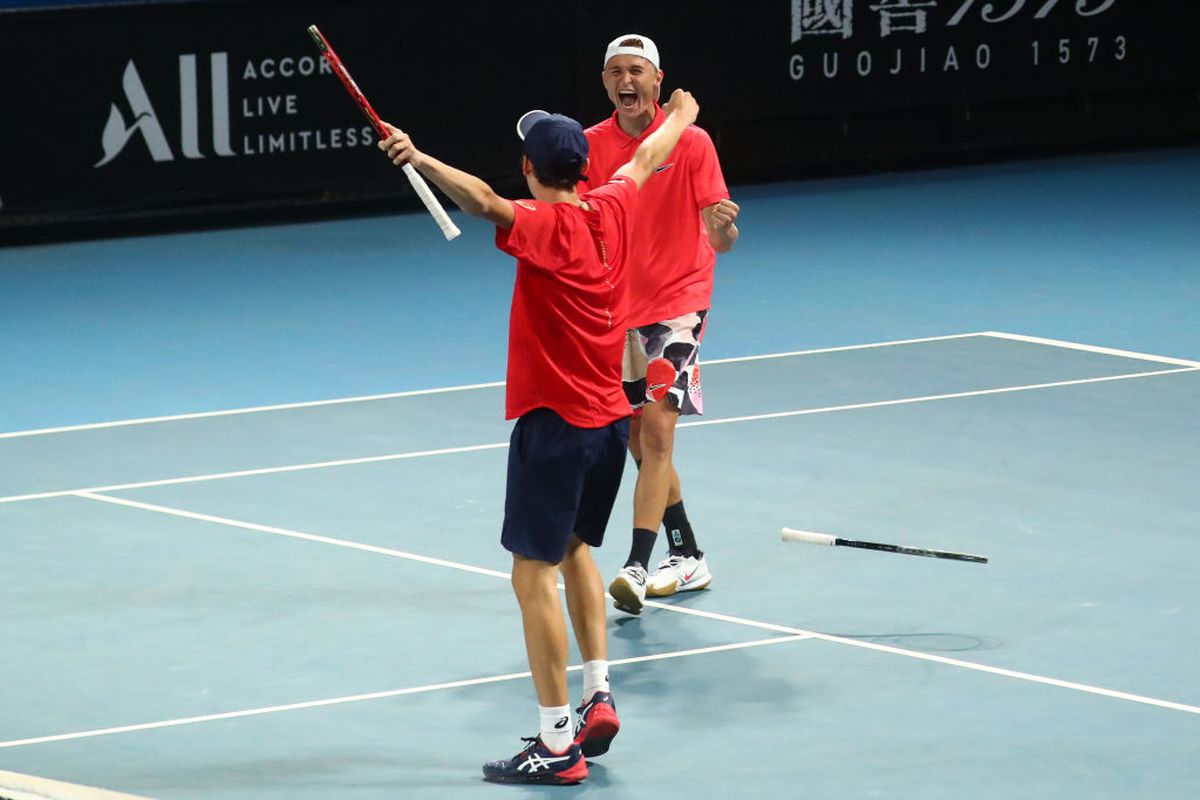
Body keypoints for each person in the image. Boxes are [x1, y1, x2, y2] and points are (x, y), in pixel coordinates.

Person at [378, 89, 699, 785]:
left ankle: (557, 744)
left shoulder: (544, 226)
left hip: (553, 428)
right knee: (578, 551)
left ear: (530, 167)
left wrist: (416, 154)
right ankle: (597, 693)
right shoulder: (612, 207)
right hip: (611, 426)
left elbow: (485, 202)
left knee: (531, 575)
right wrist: (681, 116)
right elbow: (644, 158)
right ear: (584, 168)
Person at [582, 34, 740, 616]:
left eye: (638, 71)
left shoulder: (691, 141)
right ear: (606, 83)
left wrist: (723, 229)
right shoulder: (590, 145)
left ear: (657, 79)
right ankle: (689, 552)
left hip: (679, 301)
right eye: (616, 72)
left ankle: (635, 565)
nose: (627, 81)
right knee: (635, 438)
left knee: (658, 433)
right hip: (617, 309)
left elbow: (719, 236)